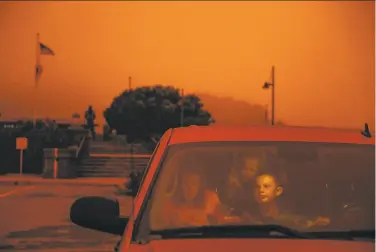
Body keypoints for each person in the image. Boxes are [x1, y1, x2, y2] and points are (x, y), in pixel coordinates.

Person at [242, 171, 331, 229]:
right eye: (257, 187)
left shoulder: (292, 220)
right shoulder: (245, 219)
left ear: (278, 191)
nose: (261, 190)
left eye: (266, 186)